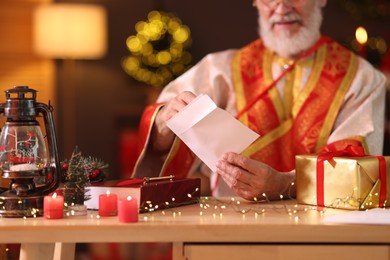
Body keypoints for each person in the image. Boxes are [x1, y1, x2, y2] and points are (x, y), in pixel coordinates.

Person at [132, 0, 386, 201]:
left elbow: (359, 171)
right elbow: (160, 126)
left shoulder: (361, 78)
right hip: (226, 228)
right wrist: (165, 126)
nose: (281, 6)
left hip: (324, 229)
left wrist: (286, 185)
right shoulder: (220, 69)